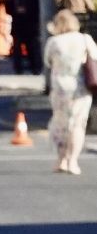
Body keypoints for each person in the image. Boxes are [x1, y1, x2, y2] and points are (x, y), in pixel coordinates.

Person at [43, 9, 97, 175]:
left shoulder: (54, 42)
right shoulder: (84, 39)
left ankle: (61, 160)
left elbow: (47, 61)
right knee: (78, 125)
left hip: (60, 87)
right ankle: (73, 161)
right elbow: (95, 56)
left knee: (61, 124)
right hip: (80, 88)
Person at [2, 0, 42, 76]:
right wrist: (17, 11)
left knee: (32, 48)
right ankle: (18, 69)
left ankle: (35, 68)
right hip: (18, 25)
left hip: (31, 26)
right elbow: (8, 9)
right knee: (17, 48)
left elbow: (36, 9)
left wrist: (27, 11)